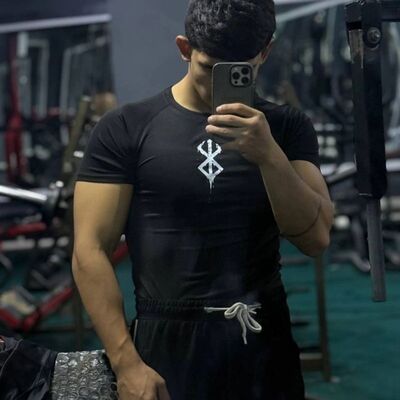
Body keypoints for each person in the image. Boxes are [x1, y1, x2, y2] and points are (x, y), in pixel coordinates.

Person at [72, 1, 334, 399]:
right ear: (184, 48)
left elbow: (315, 238)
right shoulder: (125, 128)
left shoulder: (285, 128)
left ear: (265, 52)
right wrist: (126, 362)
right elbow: (89, 250)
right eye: (209, 68)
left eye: (237, 71)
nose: (216, 85)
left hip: (261, 336)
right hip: (167, 339)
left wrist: (269, 156)